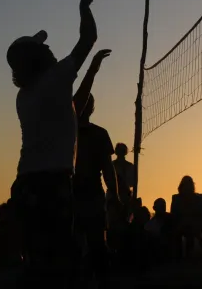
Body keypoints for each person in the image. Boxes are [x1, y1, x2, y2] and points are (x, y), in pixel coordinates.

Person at [7, 0, 100, 285]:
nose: (48, 46)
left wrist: (93, 71)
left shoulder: (25, 96)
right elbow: (89, 37)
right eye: (42, 46)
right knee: (60, 260)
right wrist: (83, 8)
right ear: (37, 57)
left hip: (27, 183)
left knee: (38, 260)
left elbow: (73, 107)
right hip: (52, 182)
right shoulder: (56, 77)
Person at [73, 89, 119, 283]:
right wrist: (114, 196)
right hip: (82, 193)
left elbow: (108, 169)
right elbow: (107, 169)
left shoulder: (67, 132)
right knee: (94, 244)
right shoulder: (97, 134)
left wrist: (114, 195)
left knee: (88, 244)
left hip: (76, 193)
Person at [170, 175, 202, 260]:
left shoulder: (197, 198)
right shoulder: (176, 198)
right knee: (184, 227)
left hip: (192, 223)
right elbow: (173, 213)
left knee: (188, 228)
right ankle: (182, 255)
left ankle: (187, 255)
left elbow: (199, 212)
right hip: (182, 223)